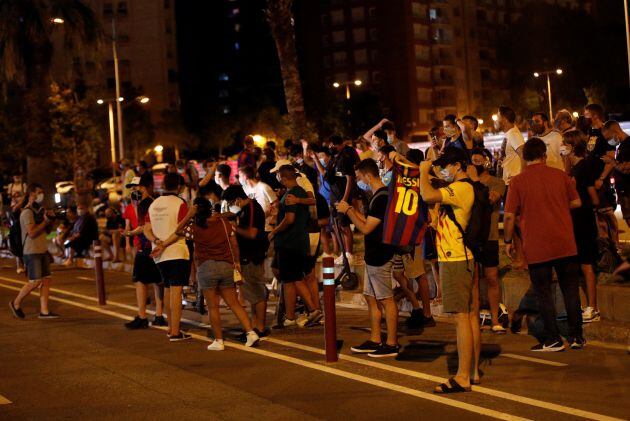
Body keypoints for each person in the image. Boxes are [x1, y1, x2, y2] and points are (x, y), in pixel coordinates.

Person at [503, 138, 584, 352]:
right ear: (544, 156)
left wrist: (508, 241)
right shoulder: (560, 176)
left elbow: (509, 216)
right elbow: (577, 202)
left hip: (537, 246)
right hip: (565, 243)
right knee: (570, 290)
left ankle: (553, 339)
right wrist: (558, 205)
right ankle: (577, 337)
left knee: (543, 292)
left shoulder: (518, 182)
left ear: (524, 157)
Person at [156, 197, 260, 350]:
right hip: (226, 266)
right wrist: (236, 262)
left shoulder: (195, 227)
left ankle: (219, 341)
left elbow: (178, 230)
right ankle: (251, 333)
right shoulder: (224, 224)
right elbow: (234, 244)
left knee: (213, 307)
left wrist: (188, 215)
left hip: (206, 268)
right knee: (234, 303)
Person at [419, 147, 479, 392]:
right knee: (468, 315)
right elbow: (435, 217)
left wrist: (424, 171)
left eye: (446, 165)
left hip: (456, 258)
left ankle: (462, 376)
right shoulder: (455, 190)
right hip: (456, 256)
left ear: (458, 165)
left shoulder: (462, 188)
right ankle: (472, 372)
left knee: (460, 317)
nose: (443, 169)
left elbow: (426, 195)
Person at [338, 159, 399, 358]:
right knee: (371, 298)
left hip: (381, 255)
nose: (357, 182)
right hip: (373, 255)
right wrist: (352, 210)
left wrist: (348, 211)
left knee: (386, 300)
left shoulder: (382, 197)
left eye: (358, 178)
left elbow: (365, 228)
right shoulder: (376, 196)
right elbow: (366, 222)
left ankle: (392, 343)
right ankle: (375, 339)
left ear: (368, 176)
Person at [269, 165, 322, 327]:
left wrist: (274, 231)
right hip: (293, 242)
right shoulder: (294, 193)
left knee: (295, 278)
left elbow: (290, 219)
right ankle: (290, 316)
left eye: (278, 176)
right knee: (288, 280)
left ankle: (313, 309)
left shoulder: (293, 193)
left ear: (284, 178)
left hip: (290, 242)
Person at [143, 173, 192, 342]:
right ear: (179, 186)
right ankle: (176, 332)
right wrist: (165, 243)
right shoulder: (180, 203)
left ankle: (171, 327)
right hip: (176, 251)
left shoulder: (154, 204)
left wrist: (157, 242)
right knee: (176, 292)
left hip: (159, 254)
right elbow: (181, 230)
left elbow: (146, 229)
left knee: (168, 290)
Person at [223, 186, 271, 339]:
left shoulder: (251, 208)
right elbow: (231, 213)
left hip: (252, 254)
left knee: (257, 292)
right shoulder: (244, 207)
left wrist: (234, 228)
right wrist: (218, 217)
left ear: (237, 199)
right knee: (252, 293)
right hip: (248, 254)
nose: (231, 205)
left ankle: (260, 328)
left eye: (231, 202)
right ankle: (254, 327)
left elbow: (252, 233)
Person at [562, 131, 600, 323]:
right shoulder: (576, 168)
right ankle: (587, 306)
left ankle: (593, 307)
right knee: (580, 266)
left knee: (586, 266)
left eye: (564, 144)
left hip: (583, 222)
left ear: (571, 146)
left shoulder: (582, 169)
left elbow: (593, 197)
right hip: (577, 222)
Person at [9, 184, 58, 319]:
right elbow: (31, 233)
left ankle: (44, 311)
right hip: (31, 251)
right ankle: (16, 303)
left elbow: (47, 231)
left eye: (42, 192)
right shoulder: (27, 212)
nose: (41, 195)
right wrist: (45, 222)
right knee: (35, 281)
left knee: (47, 280)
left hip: (42, 249)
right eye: (38, 192)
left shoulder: (40, 211)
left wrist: (50, 220)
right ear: (31, 194)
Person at [470, 149, 506, 333]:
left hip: (490, 237)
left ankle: (495, 320)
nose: (475, 161)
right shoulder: (465, 183)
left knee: (492, 279)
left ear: (487, 161)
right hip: (471, 238)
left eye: (479, 158)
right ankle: (474, 319)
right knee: (474, 281)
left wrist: (474, 182)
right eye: (472, 158)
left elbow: (491, 199)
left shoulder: (497, 183)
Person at [122, 176, 166, 329]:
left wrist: (130, 234)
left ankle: (142, 316)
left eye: (137, 188)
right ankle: (159, 315)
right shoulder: (154, 202)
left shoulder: (146, 204)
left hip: (146, 246)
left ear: (145, 187)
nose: (134, 191)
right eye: (133, 189)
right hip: (155, 246)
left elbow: (144, 227)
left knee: (140, 281)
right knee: (157, 281)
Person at [326, 135, 359, 266]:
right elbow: (326, 175)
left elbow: (350, 179)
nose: (330, 147)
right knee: (336, 226)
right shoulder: (333, 159)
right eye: (330, 145)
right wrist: (317, 159)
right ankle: (343, 253)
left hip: (342, 198)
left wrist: (345, 199)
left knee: (344, 226)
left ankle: (349, 253)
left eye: (333, 145)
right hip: (333, 198)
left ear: (340, 145)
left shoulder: (345, 159)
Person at [602, 120, 630, 230]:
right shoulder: (623, 146)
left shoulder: (628, 145)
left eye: (609, 138)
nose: (609, 141)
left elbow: (627, 169)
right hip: (624, 190)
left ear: (615, 131)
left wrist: (612, 162)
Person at [238, 165, 278, 234]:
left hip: (267, 228)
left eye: (240, 176)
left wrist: (267, 214)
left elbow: (276, 203)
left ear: (245, 176)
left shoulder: (264, 187)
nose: (239, 178)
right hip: (253, 228)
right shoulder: (244, 189)